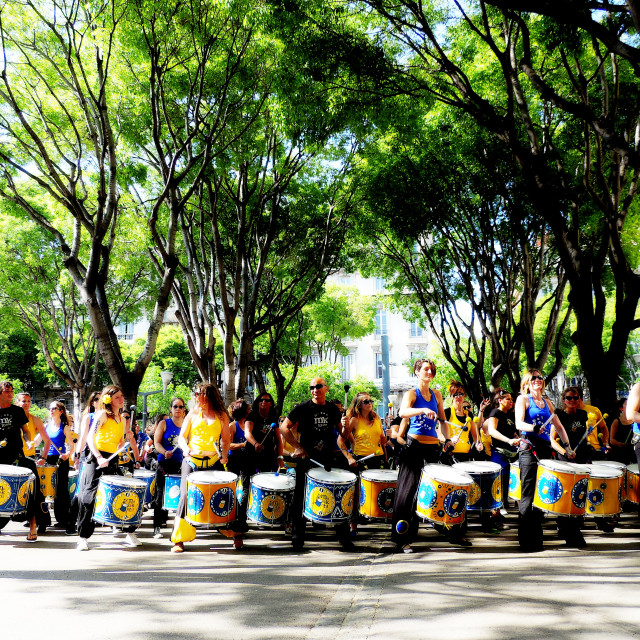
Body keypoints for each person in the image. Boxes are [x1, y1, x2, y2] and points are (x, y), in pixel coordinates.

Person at [391, 359, 463, 553]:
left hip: (432, 448)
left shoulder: (436, 394)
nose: (429, 372)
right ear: (417, 372)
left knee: (440, 490)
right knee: (407, 493)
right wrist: (422, 409)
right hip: (414, 447)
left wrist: (447, 440)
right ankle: (402, 538)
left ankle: (448, 531)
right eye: (425, 369)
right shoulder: (411, 394)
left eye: (431, 370)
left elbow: (443, 420)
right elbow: (403, 411)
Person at [280, 377, 354, 552]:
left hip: (328, 458)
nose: (315, 389)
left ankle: (344, 539)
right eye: (312, 387)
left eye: (318, 386)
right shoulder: (302, 408)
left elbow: (343, 436)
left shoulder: (332, 409)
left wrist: (346, 426)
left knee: (336, 494)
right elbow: (284, 427)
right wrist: (297, 447)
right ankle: (297, 540)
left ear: (326, 388)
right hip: (306, 459)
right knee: (300, 499)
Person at [515, 370, 574, 551]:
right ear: (527, 382)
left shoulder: (547, 402)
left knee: (542, 492)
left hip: (544, 450)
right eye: (533, 378)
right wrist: (534, 427)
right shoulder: (523, 400)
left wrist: (568, 447)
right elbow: (519, 424)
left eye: (540, 377)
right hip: (528, 449)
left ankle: (537, 539)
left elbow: (559, 427)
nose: (537, 380)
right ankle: (526, 540)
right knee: (528, 493)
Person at [75, 386, 140, 551]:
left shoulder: (123, 419)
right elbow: (90, 438)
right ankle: (83, 537)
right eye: (117, 397)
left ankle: (129, 532)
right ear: (109, 399)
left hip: (112, 458)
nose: (121, 399)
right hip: (96, 457)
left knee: (124, 492)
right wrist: (98, 457)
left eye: (121, 396)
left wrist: (127, 438)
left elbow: (119, 443)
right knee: (87, 497)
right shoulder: (102, 415)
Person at [170, 383, 230, 553]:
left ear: (208, 396)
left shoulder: (221, 415)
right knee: (185, 495)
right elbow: (182, 437)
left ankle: (234, 531)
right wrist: (186, 449)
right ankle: (179, 539)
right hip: (192, 461)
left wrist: (224, 454)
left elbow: (225, 440)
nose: (196, 397)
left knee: (225, 492)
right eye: (195, 394)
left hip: (213, 460)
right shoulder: (193, 413)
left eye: (198, 394)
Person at [0, 381, 49, 541]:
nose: (10, 394)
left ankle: (33, 525)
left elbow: (26, 431)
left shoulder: (17, 411)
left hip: (17, 457)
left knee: (31, 491)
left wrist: (29, 440)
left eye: (11, 391)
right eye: (7, 391)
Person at [338, 392, 387, 536]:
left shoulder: (377, 418)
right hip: (360, 459)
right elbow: (340, 441)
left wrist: (388, 438)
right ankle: (353, 526)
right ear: (359, 405)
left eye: (371, 400)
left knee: (378, 493)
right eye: (366, 401)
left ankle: (378, 517)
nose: (370, 403)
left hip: (377, 458)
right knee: (357, 494)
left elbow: (382, 439)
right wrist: (349, 458)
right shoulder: (353, 420)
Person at [552, 386, 594, 540]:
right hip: (566, 458)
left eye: (575, 398)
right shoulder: (559, 415)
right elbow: (552, 440)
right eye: (569, 398)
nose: (572, 401)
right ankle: (563, 525)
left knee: (581, 491)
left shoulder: (583, 414)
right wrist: (565, 452)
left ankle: (575, 524)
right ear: (563, 400)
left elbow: (582, 435)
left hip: (582, 456)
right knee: (566, 492)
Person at [152, 398, 185, 538]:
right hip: (164, 463)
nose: (178, 409)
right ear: (171, 409)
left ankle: (182, 527)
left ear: (184, 409)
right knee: (160, 495)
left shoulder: (186, 425)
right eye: (175, 406)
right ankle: (157, 526)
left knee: (183, 495)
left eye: (180, 406)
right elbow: (156, 443)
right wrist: (165, 452)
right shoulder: (164, 423)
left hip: (182, 463)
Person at [486, 387, 519, 525]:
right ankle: (495, 514)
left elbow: (514, 434)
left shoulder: (509, 416)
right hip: (499, 453)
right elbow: (492, 431)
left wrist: (519, 440)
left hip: (512, 454)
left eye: (512, 399)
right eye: (508, 399)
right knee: (499, 482)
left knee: (512, 481)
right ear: (500, 400)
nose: (511, 401)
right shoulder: (495, 412)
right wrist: (508, 441)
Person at [43, 400, 76, 530]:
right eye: (50, 408)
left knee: (61, 490)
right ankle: (42, 519)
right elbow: (39, 439)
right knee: (44, 489)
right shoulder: (46, 426)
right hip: (48, 459)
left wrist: (67, 454)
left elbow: (71, 446)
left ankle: (63, 519)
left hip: (61, 459)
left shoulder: (65, 427)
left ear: (61, 411)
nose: (51, 410)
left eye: (54, 408)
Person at [441, 381, 483, 463]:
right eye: (455, 394)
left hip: (466, 456)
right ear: (451, 396)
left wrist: (479, 444)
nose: (458, 397)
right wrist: (448, 440)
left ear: (464, 396)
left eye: (460, 394)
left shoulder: (469, 414)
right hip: (449, 455)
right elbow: (438, 434)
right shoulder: (447, 412)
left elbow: (475, 436)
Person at [244, 393, 281, 474]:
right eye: (261, 400)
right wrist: (255, 444)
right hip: (251, 453)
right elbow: (247, 433)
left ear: (270, 404)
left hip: (268, 454)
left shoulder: (273, 418)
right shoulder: (252, 416)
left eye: (267, 400)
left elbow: (278, 440)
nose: (264, 401)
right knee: (248, 481)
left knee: (266, 480)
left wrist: (280, 457)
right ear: (258, 402)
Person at [609, 397, 635, 464]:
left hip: (633, 453)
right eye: (627, 404)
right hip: (620, 454)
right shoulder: (616, 422)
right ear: (621, 408)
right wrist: (620, 444)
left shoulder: (635, 422)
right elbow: (612, 440)